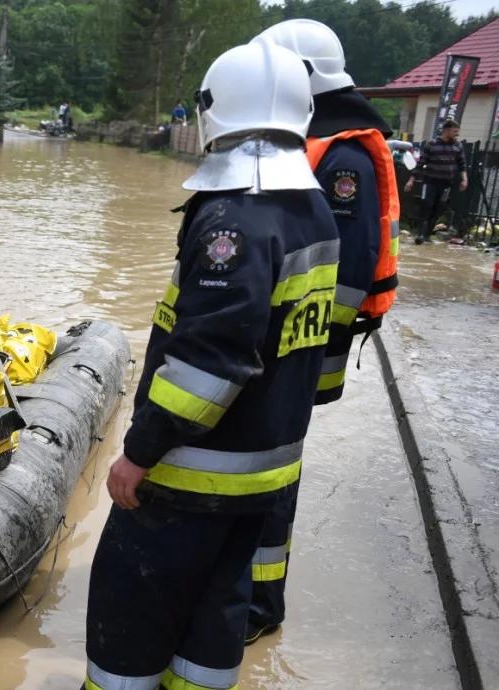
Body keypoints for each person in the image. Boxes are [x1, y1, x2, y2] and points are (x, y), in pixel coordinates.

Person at [83, 41, 338, 690]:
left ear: (214, 110)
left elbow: (211, 361)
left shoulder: (235, 220)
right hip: (260, 476)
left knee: (129, 611)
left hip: (190, 477)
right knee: (213, 617)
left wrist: (138, 453)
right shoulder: (311, 209)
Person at [248, 19, 402, 644]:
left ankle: (259, 610)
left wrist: (294, 339)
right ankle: (243, 596)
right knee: (257, 472)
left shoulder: (342, 157)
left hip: (299, 350)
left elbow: (349, 266)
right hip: (281, 346)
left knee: (271, 474)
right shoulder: (310, 139)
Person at [406, 119, 468, 244]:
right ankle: (420, 234)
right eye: (455, 131)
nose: (457, 134)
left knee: (438, 208)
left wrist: (464, 179)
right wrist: (411, 180)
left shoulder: (458, 145)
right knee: (426, 205)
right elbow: (421, 163)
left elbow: (462, 164)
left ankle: (427, 235)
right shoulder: (432, 144)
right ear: (446, 130)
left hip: (446, 183)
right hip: (430, 181)